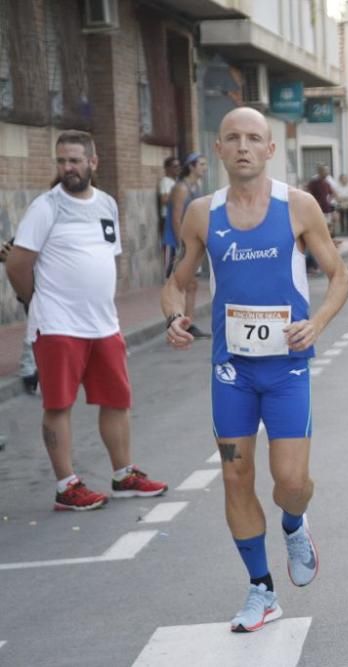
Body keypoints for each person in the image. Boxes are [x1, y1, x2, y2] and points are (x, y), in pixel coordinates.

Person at [162, 107, 348, 633]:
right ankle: (261, 590)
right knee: (234, 475)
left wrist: (316, 324)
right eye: (232, 138)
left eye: (254, 138)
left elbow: (340, 277)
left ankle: (294, 523)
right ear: (219, 149)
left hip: (287, 369)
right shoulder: (202, 212)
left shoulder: (299, 206)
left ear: (271, 149)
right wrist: (175, 317)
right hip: (232, 372)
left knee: (291, 481)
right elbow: (176, 280)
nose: (243, 146)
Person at [5, 130, 169, 511]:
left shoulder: (107, 204)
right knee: (58, 404)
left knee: (116, 399)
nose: (67, 168)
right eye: (61, 161)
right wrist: (33, 300)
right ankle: (67, 486)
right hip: (59, 325)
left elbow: (105, 256)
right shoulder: (46, 207)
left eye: (75, 160)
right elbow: (17, 264)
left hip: (103, 324)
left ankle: (123, 475)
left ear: (93, 163)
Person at [167, 152, 211, 338]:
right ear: (191, 166)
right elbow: (177, 219)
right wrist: (181, 246)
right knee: (178, 283)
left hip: (193, 243)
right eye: (201, 164)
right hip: (177, 242)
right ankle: (175, 323)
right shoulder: (181, 188)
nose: (204, 167)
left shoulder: (196, 187)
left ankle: (188, 322)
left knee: (192, 285)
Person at [1, 240, 38, 394]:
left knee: (38, 326)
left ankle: (31, 367)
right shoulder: (25, 236)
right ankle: (29, 369)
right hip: (32, 288)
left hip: (43, 287)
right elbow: (5, 254)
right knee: (35, 325)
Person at [159, 156, 180, 241]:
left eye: (179, 166)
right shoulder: (165, 181)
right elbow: (164, 200)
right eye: (175, 166)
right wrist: (179, 198)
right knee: (169, 246)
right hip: (168, 217)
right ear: (167, 168)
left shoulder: (176, 181)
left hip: (175, 216)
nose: (178, 168)